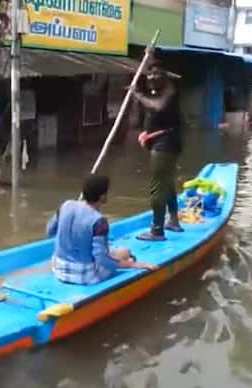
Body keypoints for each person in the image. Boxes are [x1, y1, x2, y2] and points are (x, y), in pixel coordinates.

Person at [46, 175, 158, 285]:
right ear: (102, 196)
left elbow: (50, 231)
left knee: (115, 251)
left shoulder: (66, 205)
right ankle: (127, 258)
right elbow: (101, 259)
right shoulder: (99, 221)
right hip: (84, 275)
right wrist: (134, 264)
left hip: (58, 267)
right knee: (124, 252)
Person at [132, 55, 184, 241]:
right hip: (160, 143)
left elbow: (158, 106)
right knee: (167, 183)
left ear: (164, 75)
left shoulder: (169, 89)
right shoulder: (156, 90)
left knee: (157, 187)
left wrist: (137, 95)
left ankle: (157, 230)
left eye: (156, 74)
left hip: (166, 145)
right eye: (149, 74)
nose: (151, 77)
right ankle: (174, 221)